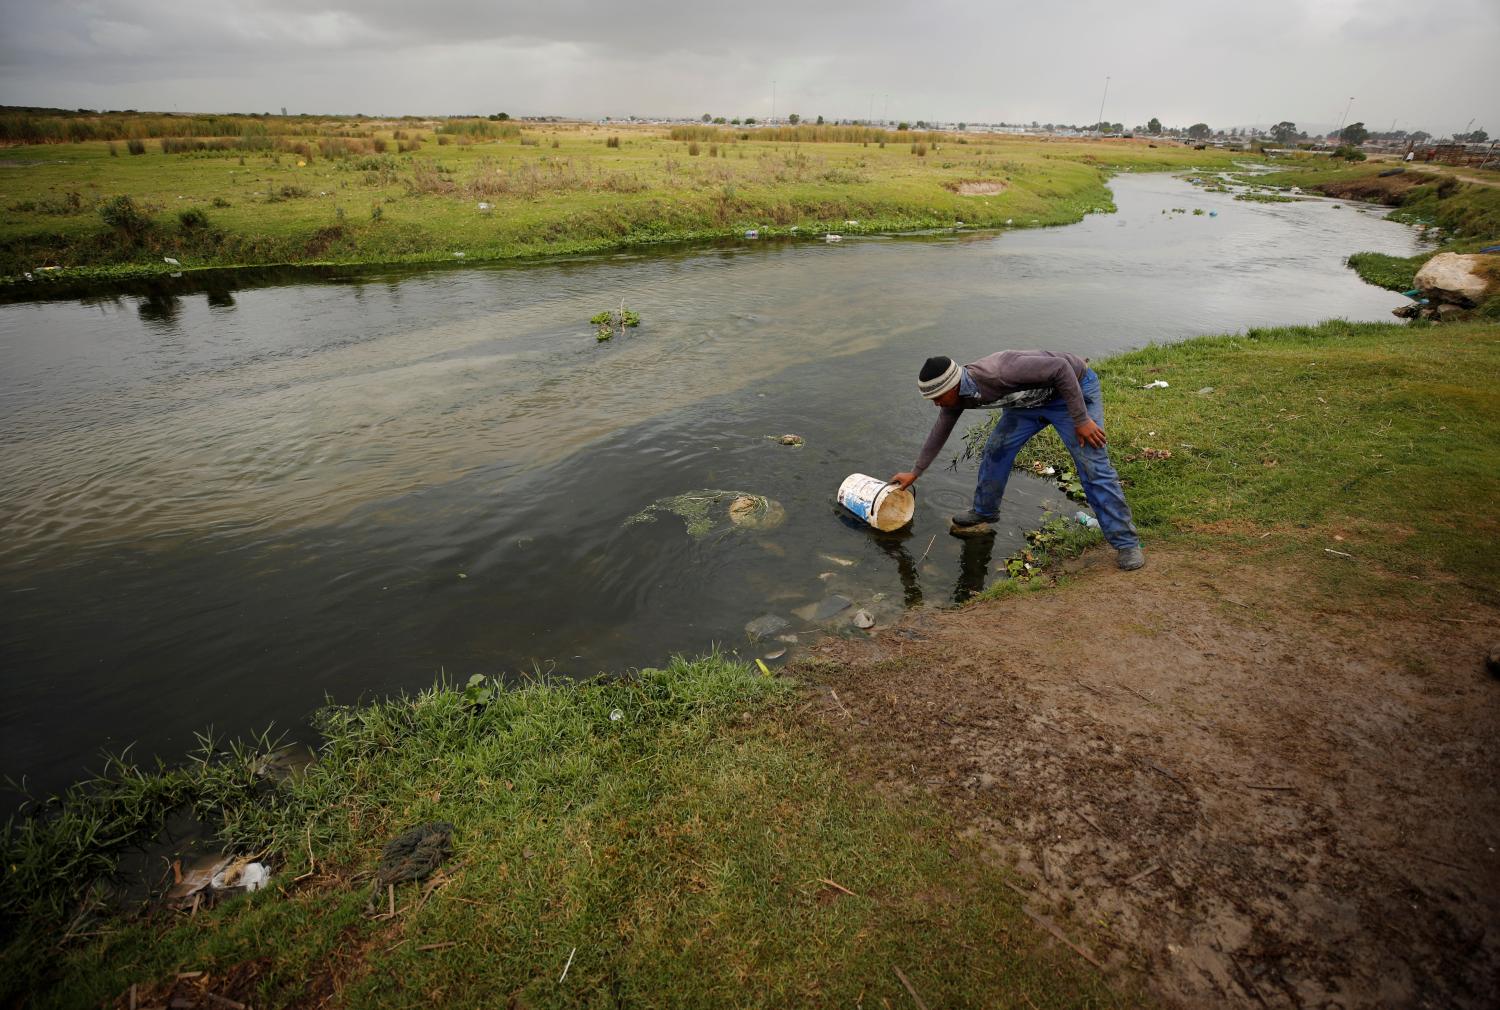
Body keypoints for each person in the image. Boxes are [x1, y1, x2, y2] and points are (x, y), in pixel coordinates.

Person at [890, 352, 1145, 571]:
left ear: (953, 386)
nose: (936, 404)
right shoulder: (956, 397)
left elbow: (1061, 368)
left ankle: (1126, 544)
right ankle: (984, 511)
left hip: (1070, 393)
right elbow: (940, 431)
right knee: (995, 452)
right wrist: (916, 472)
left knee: (1093, 466)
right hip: (1027, 405)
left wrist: (1081, 420)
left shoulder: (999, 372)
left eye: (938, 397)